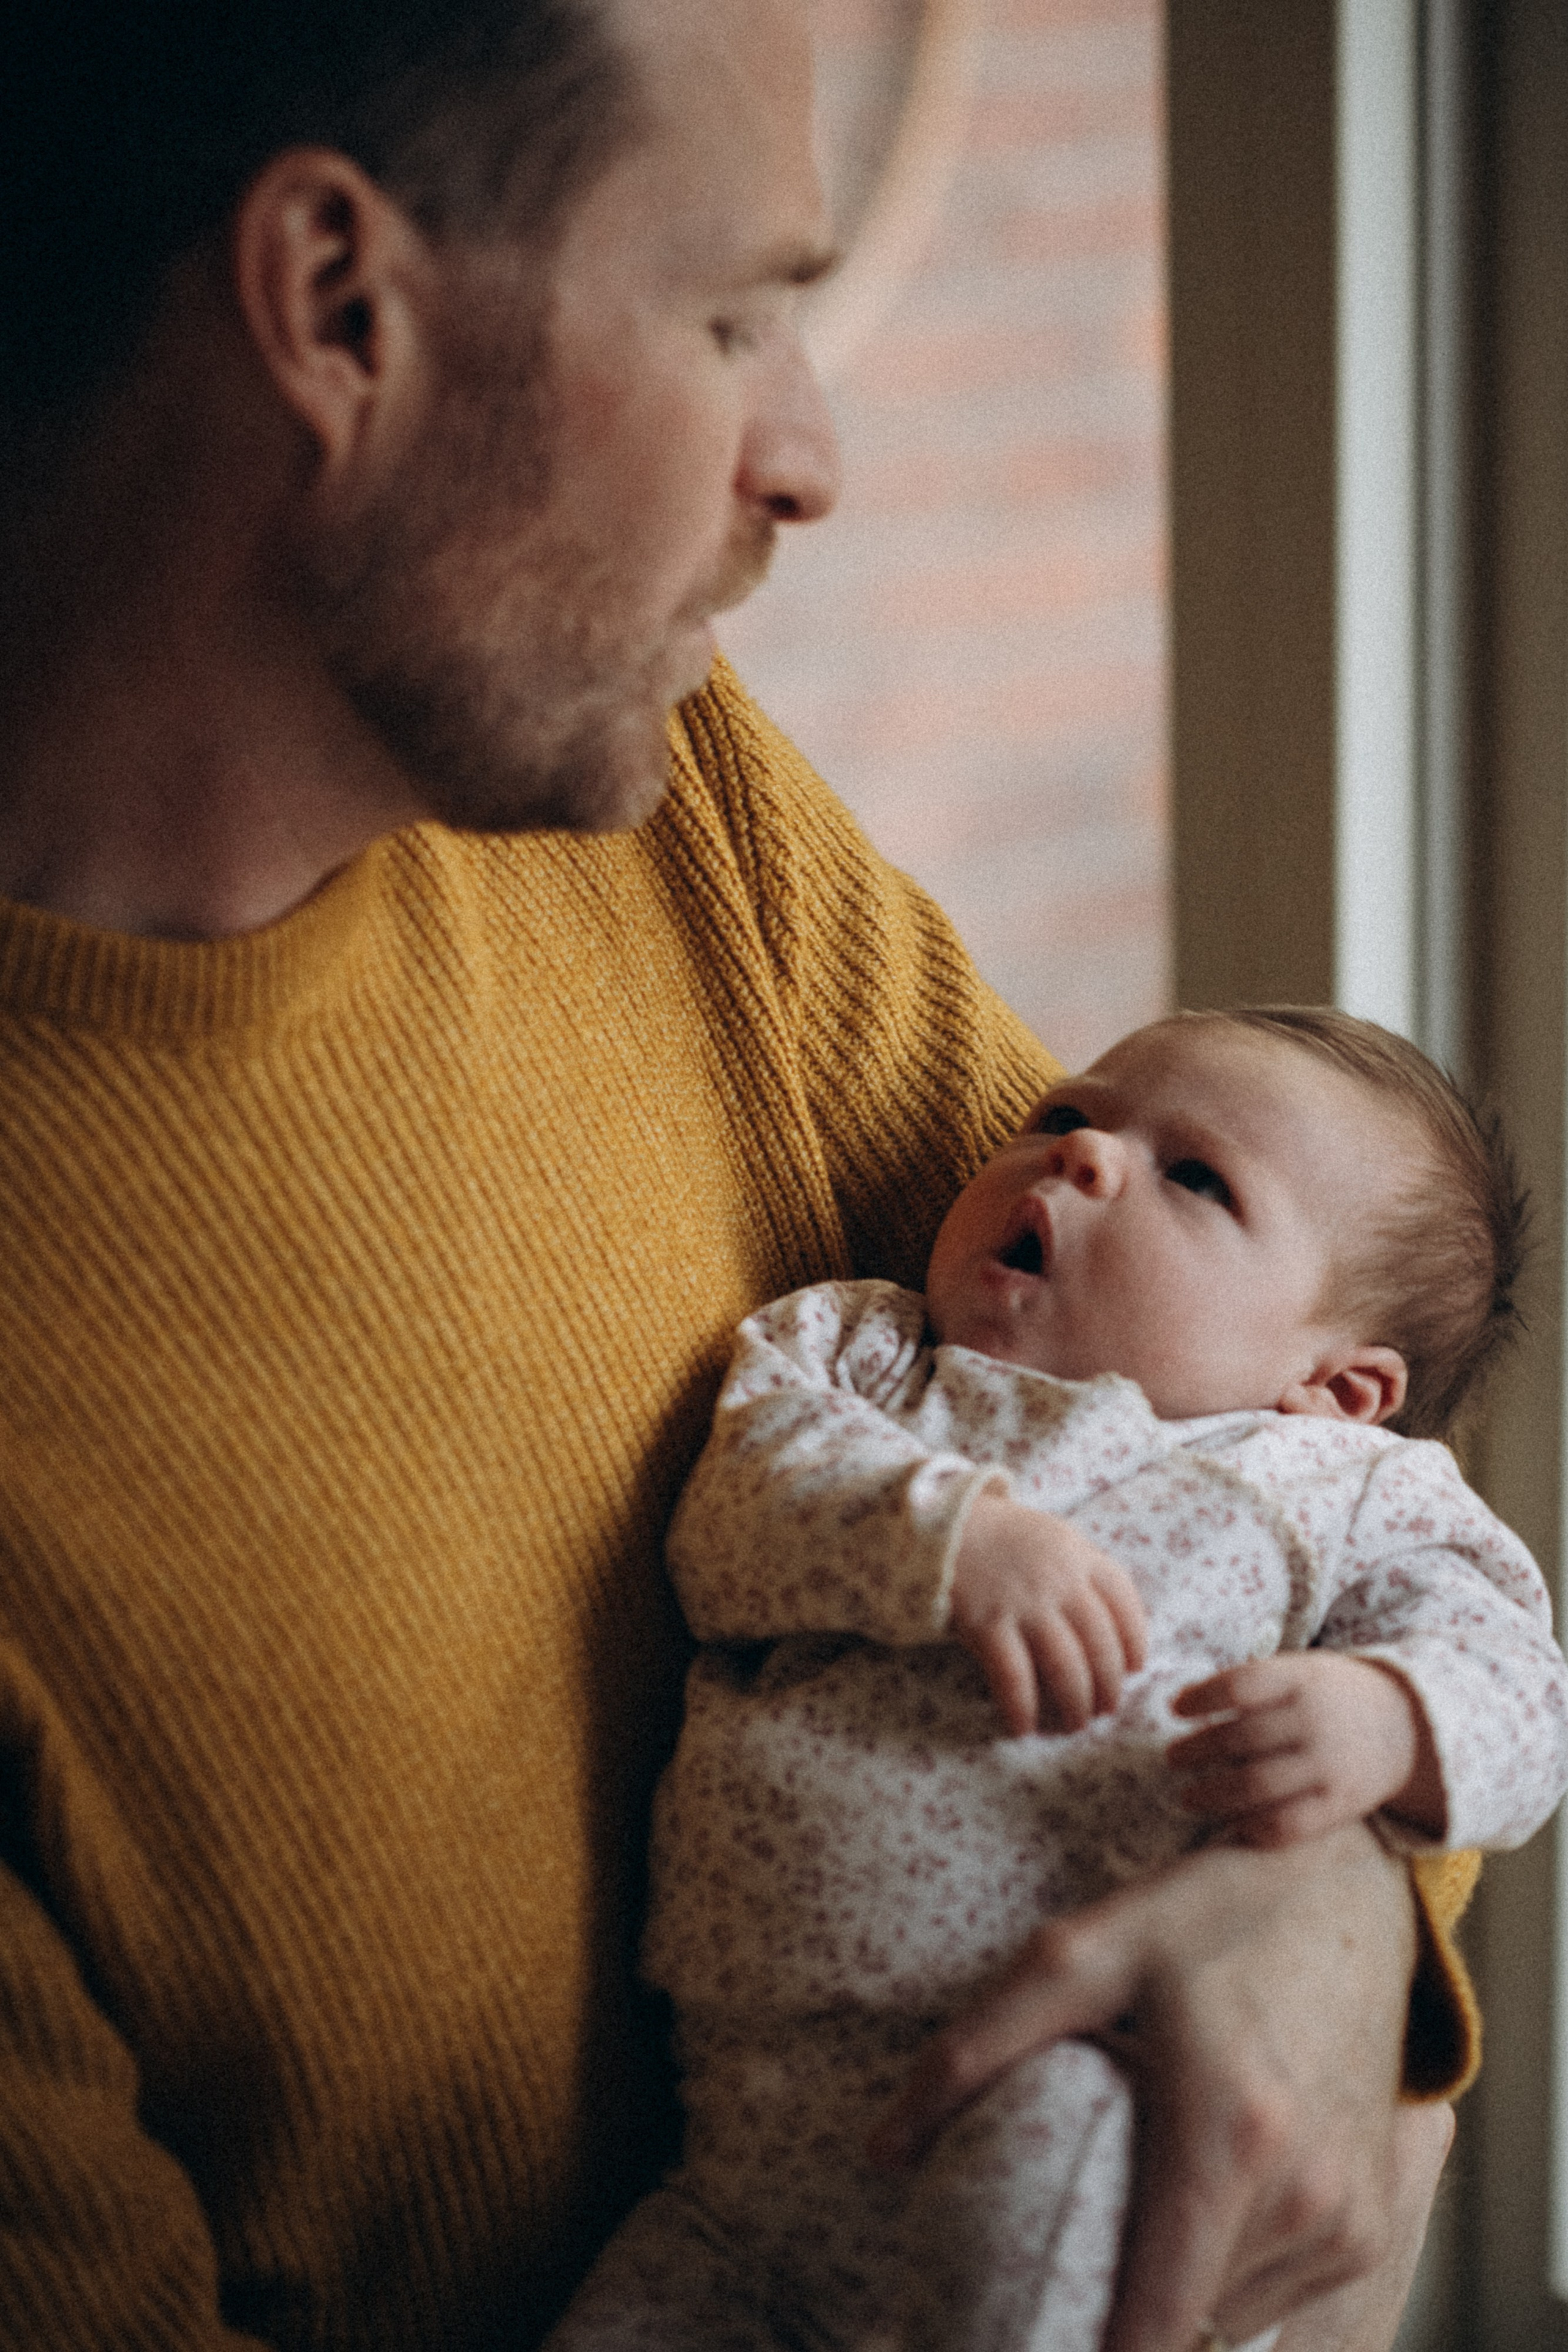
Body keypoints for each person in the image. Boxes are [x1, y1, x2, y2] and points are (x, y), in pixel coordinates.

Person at [0, 2, 1467, 2346]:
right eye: (732, 316)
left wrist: (1342, 1903)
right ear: (341, 307)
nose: (811, 459)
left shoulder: (666, 808)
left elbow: (1258, 1440)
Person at [548, 1006, 1566, 2352]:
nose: (1081, 1156)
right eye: (1066, 1117)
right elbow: (727, 1525)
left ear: (1335, 1387)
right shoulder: (861, 1354)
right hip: (743, 2159)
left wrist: (1390, 1721)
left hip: (1079, 2089)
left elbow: (1521, 1689)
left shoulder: (1343, 1488)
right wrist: (952, 1535)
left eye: (1195, 1178)